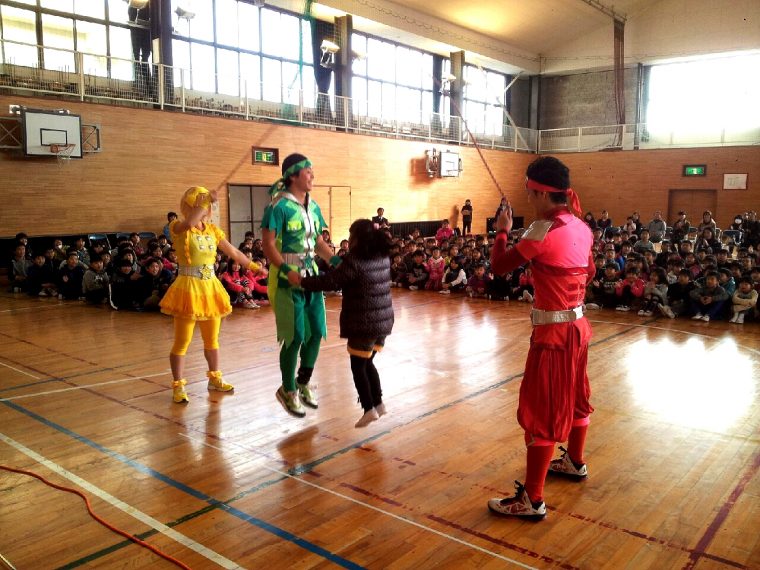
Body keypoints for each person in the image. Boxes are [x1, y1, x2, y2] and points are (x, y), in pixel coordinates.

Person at [488, 156, 594, 520]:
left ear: (540, 192)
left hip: (552, 333)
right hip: (579, 327)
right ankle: (575, 462)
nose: (528, 197)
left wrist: (502, 229)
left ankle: (532, 500)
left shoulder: (541, 229)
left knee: (542, 412)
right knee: (577, 398)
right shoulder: (581, 227)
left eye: (530, 191)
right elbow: (589, 270)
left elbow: (499, 266)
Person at [159, 186, 262, 404]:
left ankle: (215, 378)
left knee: (212, 340)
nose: (208, 208)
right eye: (202, 203)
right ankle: (178, 386)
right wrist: (205, 201)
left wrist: (253, 266)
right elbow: (188, 222)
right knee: (182, 341)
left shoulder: (213, 231)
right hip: (188, 288)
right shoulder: (178, 226)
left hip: (210, 288)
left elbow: (233, 252)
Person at [297, 219, 394, 427]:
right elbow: (347, 273)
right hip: (383, 322)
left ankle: (368, 409)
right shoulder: (382, 256)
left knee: (358, 366)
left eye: (351, 236)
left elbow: (331, 281)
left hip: (364, 322)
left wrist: (301, 281)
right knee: (368, 362)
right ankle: (378, 403)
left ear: (358, 238)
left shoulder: (355, 260)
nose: (349, 241)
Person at [261, 153, 337, 417]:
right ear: (293, 175)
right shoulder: (277, 207)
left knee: (316, 332)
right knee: (294, 337)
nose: (312, 176)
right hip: (286, 278)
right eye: (308, 172)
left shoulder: (313, 206)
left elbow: (317, 242)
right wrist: (284, 269)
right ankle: (288, 389)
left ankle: (303, 382)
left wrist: (336, 261)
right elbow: (268, 245)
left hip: (312, 275)